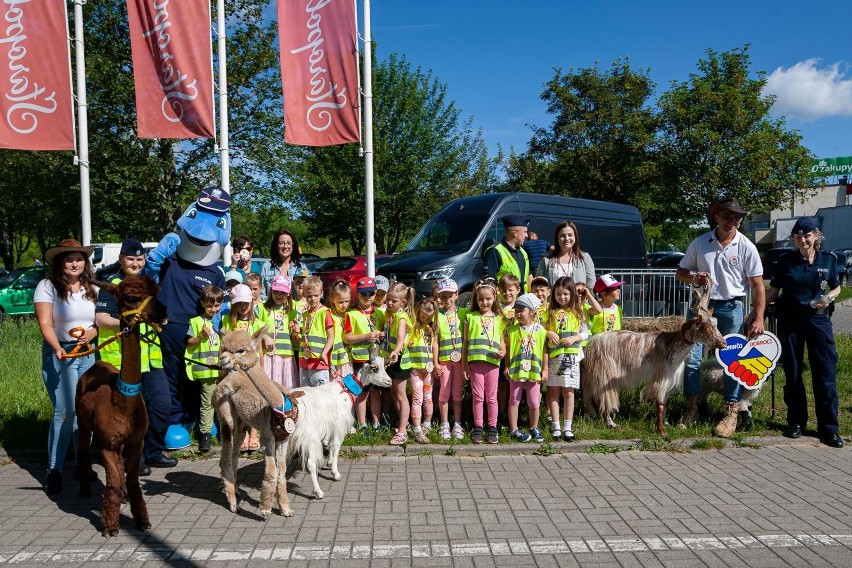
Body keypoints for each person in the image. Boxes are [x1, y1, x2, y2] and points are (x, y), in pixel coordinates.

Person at [675, 198, 765, 437]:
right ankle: (692, 407)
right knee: (691, 358)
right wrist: (695, 277)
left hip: (732, 307)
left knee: (732, 360)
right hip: (702, 308)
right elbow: (680, 272)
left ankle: (731, 411)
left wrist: (758, 316)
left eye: (737, 217)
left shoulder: (746, 246)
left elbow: (757, 285)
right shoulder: (701, 243)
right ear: (716, 216)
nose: (733, 221)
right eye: (727, 216)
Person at [96, 238, 174, 472]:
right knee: (129, 412)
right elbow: (100, 319)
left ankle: (153, 452)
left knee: (161, 404)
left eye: (140, 259)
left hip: (151, 358)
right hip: (123, 361)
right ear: (121, 259)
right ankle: (133, 458)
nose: (135, 263)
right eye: (131, 258)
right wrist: (126, 320)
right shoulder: (112, 284)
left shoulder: (147, 284)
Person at [765, 217, 843, 448]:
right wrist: (755, 313)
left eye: (807, 236)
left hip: (818, 321)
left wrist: (828, 298)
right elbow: (773, 290)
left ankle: (829, 428)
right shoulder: (785, 261)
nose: (803, 240)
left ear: (816, 236)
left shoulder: (828, 260)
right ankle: (796, 422)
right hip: (790, 320)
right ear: (793, 239)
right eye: (798, 237)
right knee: (793, 372)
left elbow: (837, 286)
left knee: (825, 372)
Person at [34, 239, 98, 494]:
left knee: (86, 412)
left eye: (79, 258)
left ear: (85, 262)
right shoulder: (47, 286)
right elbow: (45, 323)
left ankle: (83, 463)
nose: (74, 263)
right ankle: (55, 470)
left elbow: (98, 320)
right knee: (65, 412)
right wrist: (57, 347)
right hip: (59, 351)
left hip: (87, 352)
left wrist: (93, 332)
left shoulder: (91, 287)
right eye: (69, 259)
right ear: (60, 263)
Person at [545, 277, 593, 442]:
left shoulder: (578, 313)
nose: (562, 297)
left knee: (569, 391)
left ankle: (568, 427)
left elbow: (587, 333)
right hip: (554, 358)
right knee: (553, 391)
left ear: (572, 294)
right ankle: (556, 426)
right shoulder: (549, 312)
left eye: (565, 294)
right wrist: (548, 332)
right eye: (558, 294)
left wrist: (575, 338)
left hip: (571, 358)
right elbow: (540, 328)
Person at [223, 283, 268, 451]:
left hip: (252, 368)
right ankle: (243, 434)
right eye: (239, 303)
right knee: (237, 402)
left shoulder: (257, 323)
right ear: (233, 304)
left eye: (246, 303)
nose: (243, 307)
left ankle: (254, 434)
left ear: (252, 303)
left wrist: (261, 368)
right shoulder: (227, 322)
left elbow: (260, 350)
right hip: (234, 369)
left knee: (254, 402)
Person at [463, 277, 506, 444]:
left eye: (488, 299)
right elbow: (465, 342)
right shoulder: (470, 317)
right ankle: (478, 427)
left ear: (494, 298)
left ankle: (493, 427)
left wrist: (502, 351)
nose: (484, 302)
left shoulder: (499, 318)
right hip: (475, 362)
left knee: (492, 397)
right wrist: (464, 365)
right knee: (478, 396)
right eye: (481, 299)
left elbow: (502, 342)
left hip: (492, 363)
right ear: (476, 299)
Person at [185, 285, 225, 453]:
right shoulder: (195, 321)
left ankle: (226, 431)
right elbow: (189, 342)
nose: (213, 309)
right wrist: (201, 336)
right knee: (207, 403)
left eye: (216, 305)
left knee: (225, 402)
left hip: (223, 370)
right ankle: (205, 434)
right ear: (202, 304)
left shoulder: (225, 320)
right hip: (206, 371)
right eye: (209, 305)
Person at [504, 293, 548, 443]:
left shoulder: (541, 330)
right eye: (516, 310)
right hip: (516, 369)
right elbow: (508, 351)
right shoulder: (512, 330)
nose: (518, 313)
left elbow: (544, 351)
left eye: (522, 310)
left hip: (534, 370)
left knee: (534, 402)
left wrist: (545, 369)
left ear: (532, 311)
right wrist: (507, 367)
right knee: (513, 400)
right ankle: (514, 429)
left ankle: (534, 426)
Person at [343, 277, 386, 430]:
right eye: (363, 294)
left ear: (376, 294)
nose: (368, 297)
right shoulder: (351, 314)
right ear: (358, 295)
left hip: (376, 359)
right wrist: (365, 336)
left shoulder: (381, 314)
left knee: (375, 393)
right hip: (360, 360)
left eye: (371, 293)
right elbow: (346, 338)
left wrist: (381, 336)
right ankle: (362, 424)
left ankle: (376, 423)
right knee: (362, 392)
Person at [434, 278, 467, 441]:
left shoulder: (463, 313)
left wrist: (467, 363)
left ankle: (458, 423)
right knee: (444, 393)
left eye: (450, 295)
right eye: (443, 296)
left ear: (456, 295)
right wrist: (435, 363)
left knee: (457, 393)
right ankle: (444, 423)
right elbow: (435, 341)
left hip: (460, 362)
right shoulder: (437, 316)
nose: (447, 299)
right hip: (444, 361)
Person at [382, 281, 414, 445]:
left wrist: (396, 351)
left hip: (400, 359)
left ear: (402, 302)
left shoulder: (401, 317)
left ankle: (402, 432)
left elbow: (401, 339)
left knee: (401, 395)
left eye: (393, 301)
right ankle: (404, 423)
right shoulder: (389, 314)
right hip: (390, 358)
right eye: (388, 299)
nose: (389, 303)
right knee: (394, 392)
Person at [289, 276, 334, 387]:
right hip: (304, 361)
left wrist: (324, 353)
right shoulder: (304, 315)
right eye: (309, 296)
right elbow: (305, 338)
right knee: (306, 395)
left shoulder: (325, 312)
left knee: (321, 396)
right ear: (304, 294)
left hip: (319, 361)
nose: (312, 299)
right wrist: (297, 333)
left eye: (316, 295)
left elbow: (331, 337)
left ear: (322, 294)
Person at [407, 298, 438, 443]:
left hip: (428, 370)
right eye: (423, 316)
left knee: (428, 398)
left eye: (428, 317)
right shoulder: (413, 326)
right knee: (417, 399)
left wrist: (436, 363)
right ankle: (417, 428)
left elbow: (434, 346)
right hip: (416, 370)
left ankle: (427, 423)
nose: (425, 319)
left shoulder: (431, 329)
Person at [262, 274, 298, 390]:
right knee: (270, 389)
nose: (279, 295)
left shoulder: (292, 311)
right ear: (271, 290)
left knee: (286, 388)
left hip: (286, 357)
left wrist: (295, 331)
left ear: (288, 294)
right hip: (268, 356)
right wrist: (265, 337)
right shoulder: (262, 308)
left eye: (283, 292)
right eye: (276, 291)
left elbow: (294, 337)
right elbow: (255, 330)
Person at [536, 221, 595, 288]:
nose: (567, 238)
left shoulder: (584, 258)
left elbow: (591, 286)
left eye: (570, 235)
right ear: (557, 239)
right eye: (562, 236)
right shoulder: (546, 261)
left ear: (575, 237)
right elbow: (539, 287)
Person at [483, 215, 530, 293]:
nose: (527, 235)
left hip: (522, 301)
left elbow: (529, 276)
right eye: (525, 232)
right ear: (515, 232)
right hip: (503, 302)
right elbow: (488, 280)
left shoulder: (523, 251)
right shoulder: (495, 251)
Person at [260, 230, 309, 299]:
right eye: (281, 243)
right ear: (276, 245)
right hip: (272, 308)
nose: (285, 246)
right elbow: (261, 293)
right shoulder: (267, 267)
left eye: (289, 243)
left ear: (293, 245)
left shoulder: (301, 267)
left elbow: (309, 289)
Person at [327, 279, 353, 381]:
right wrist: (331, 364)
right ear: (333, 299)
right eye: (341, 302)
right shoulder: (330, 315)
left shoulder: (350, 314)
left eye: (347, 301)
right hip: (335, 359)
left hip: (348, 358)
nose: (344, 305)